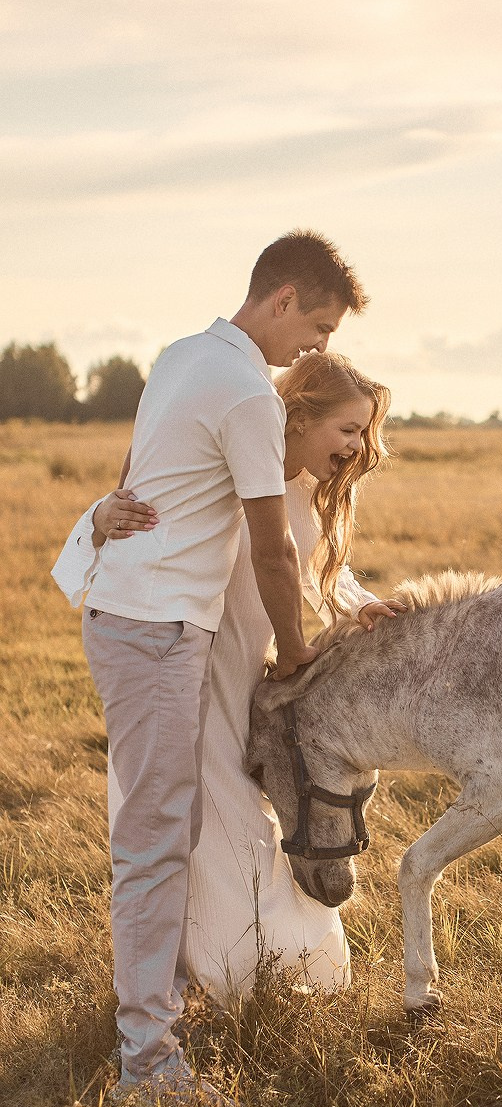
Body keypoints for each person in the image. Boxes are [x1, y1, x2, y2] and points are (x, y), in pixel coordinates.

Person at [51, 229, 367, 1107]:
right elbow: (270, 549)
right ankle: (148, 1068)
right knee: (153, 846)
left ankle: (166, 1005)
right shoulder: (246, 393)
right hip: (155, 632)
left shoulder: (181, 357)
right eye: (317, 326)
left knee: (165, 831)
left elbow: (134, 475)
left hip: (138, 620)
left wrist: (108, 511)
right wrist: (300, 653)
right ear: (280, 299)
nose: (319, 347)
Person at [87, 353, 400, 1010]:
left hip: (245, 685)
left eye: (363, 434)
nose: (356, 447)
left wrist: (358, 602)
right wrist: (100, 516)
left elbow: (318, 574)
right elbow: (153, 522)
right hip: (185, 674)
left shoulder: (301, 496)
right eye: (346, 428)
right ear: (300, 414)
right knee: (204, 821)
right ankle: (235, 971)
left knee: (245, 816)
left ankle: (253, 964)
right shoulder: (224, 474)